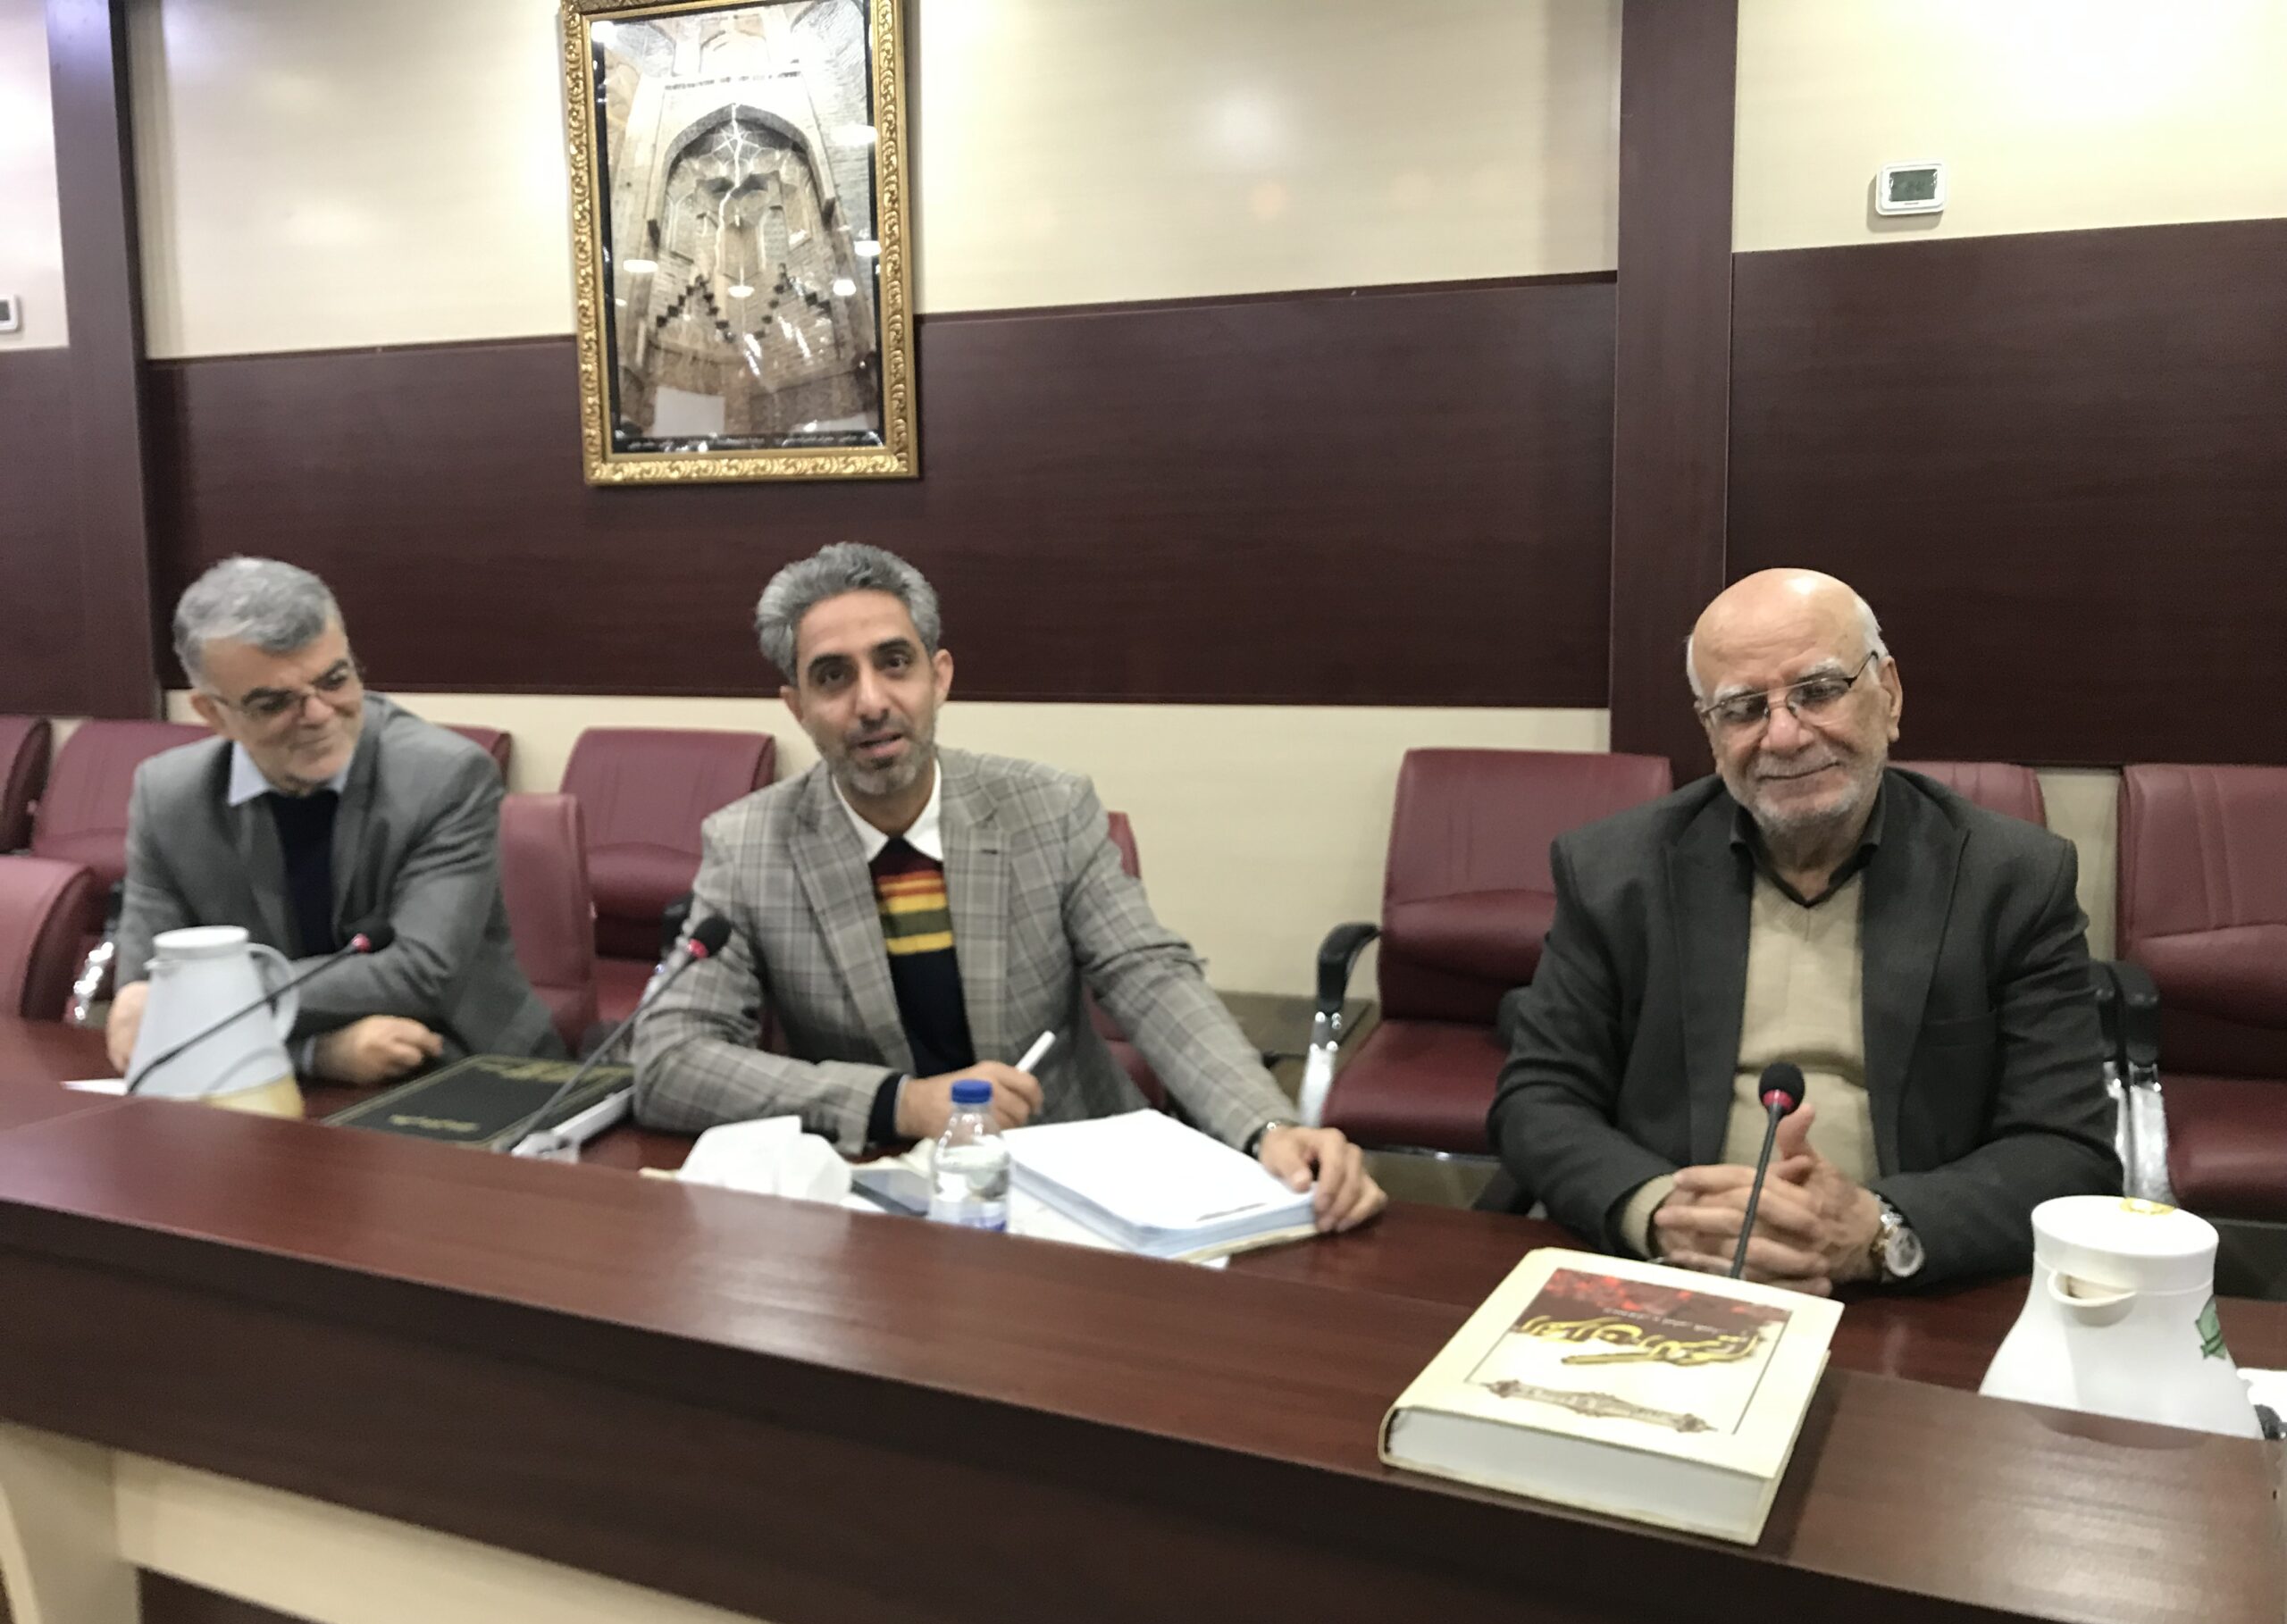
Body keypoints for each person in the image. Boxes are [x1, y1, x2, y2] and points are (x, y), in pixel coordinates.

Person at [632, 542, 1386, 1232]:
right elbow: (669, 1062)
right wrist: (900, 1102)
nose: (870, 702)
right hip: (875, 1196)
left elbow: (1150, 976)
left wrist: (1267, 1126)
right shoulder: (748, 845)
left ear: (939, 677)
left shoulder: (1048, 809)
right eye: (833, 676)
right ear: (796, 707)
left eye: (895, 663)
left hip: (1077, 1183)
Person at [1491, 567, 2118, 1290]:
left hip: (1908, 1292)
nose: (1784, 736)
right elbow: (1538, 1098)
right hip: (1675, 1276)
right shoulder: (1614, 870)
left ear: (1889, 694)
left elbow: (2065, 1148)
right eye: (1743, 708)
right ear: (1710, 730)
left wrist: (1881, 1229)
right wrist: (1661, 1212)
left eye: (1818, 692)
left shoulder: (2010, 879)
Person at [108, 557, 559, 1084]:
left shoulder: (444, 777)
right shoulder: (169, 797)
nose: (319, 714)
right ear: (213, 713)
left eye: (334, 680)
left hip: (464, 1064)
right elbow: (146, 1004)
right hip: (259, 1073)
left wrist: (200, 997)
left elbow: (420, 974)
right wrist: (316, 1053)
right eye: (274, 703)